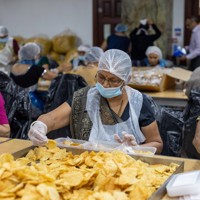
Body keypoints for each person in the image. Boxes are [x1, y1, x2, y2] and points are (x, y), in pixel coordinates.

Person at [28, 49, 163, 153]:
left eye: (113, 80)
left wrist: (136, 150)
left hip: (130, 169)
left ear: (126, 80)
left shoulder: (138, 103)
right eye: (101, 77)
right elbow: (53, 118)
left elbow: (157, 143)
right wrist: (40, 125)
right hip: (90, 165)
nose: (105, 84)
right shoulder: (85, 98)